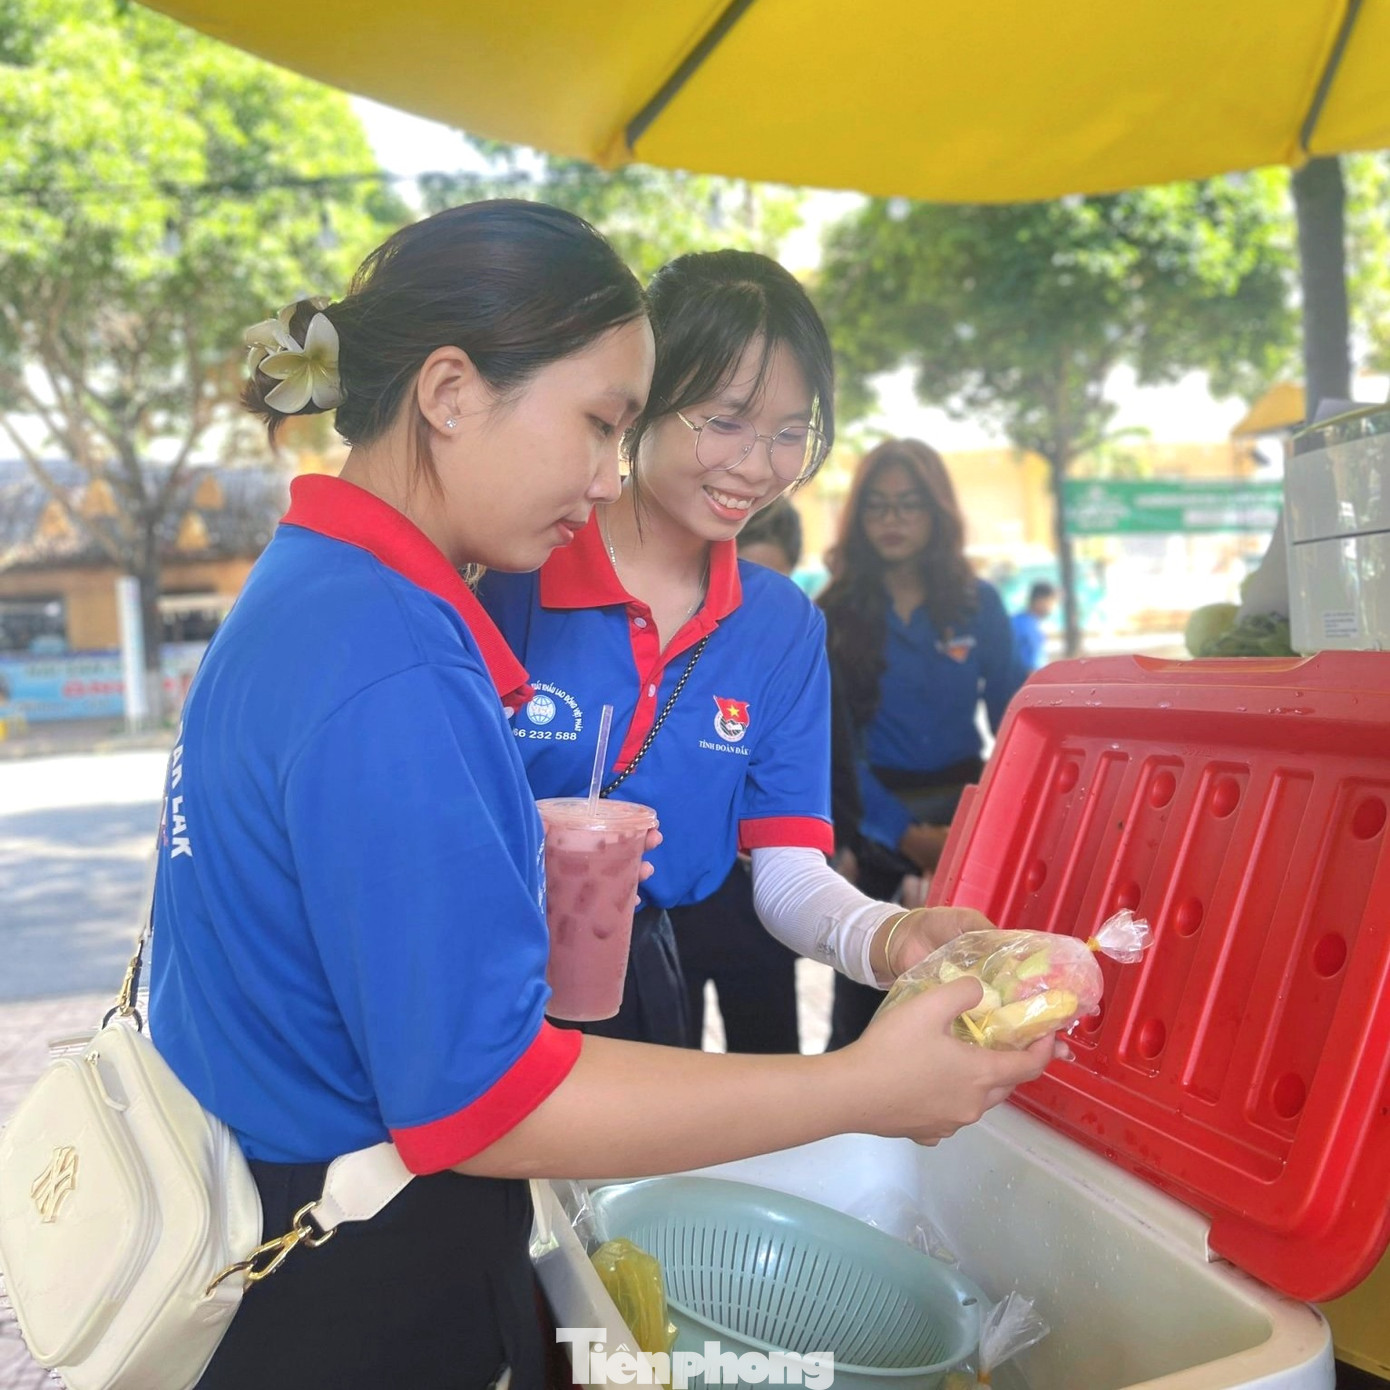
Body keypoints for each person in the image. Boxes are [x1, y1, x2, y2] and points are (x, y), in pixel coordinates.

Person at [148, 203, 1057, 1390]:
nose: (601, 472)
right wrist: (861, 1088)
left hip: (308, 1186)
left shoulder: (331, 588)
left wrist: (880, 940)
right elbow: (489, 1101)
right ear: (450, 390)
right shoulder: (405, 648)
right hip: (352, 1247)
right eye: (603, 422)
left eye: (790, 431)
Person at [480, 252, 988, 1050]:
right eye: (724, 422)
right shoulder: (512, 574)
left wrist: (887, 939)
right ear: (640, 404)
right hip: (473, 970)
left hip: (643, 979)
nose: (758, 467)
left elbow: (786, 870)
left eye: (790, 434)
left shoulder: (780, 624)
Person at [819, 439, 1025, 1046]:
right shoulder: (833, 613)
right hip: (874, 824)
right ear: (858, 520)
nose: (893, 521)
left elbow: (1017, 718)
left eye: (909, 505)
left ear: (937, 515)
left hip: (967, 813)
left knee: (971, 999)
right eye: (878, 507)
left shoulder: (975, 603)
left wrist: (973, 824)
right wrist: (901, 836)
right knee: (865, 1008)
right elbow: (837, 746)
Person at [669, 500, 804, 1051]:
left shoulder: (797, 651)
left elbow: (831, 762)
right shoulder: (677, 658)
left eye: (773, 582)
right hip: (674, 898)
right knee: (668, 1056)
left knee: (769, 1044)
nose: (754, 604)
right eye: (743, 581)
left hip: (758, 894)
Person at [1011, 580, 1057, 672]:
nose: (1053, 607)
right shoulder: (1020, 624)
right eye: (1051, 602)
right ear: (1040, 601)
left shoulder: (1033, 624)